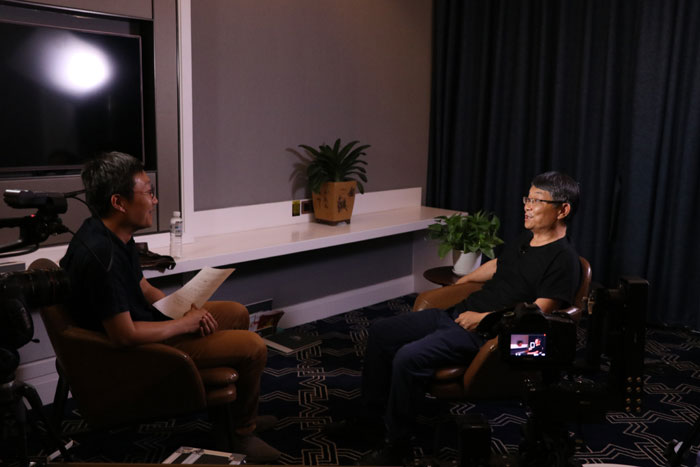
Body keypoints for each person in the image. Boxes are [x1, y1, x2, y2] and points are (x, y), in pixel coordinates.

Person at [342, 171, 581, 465]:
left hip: (486, 333)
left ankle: (397, 445)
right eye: (527, 199)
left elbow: (536, 314)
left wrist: (483, 318)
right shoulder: (527, 239)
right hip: (459, 313)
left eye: (536, 201)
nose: (527, 207)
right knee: (382, 331)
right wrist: (462, 282)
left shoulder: (564, 260)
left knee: (408, 357)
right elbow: (499, 264)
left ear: (562, 209)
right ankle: (370, 422)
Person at [59, 151, 280, 463]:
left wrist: (177, 306)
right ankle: (241, 433)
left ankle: (230, 417)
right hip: (140, 352)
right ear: (119, 202)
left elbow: (141, 286)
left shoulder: (109, 232)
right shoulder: (101, 258)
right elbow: (125, 335)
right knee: (253, 347)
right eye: (148, 193)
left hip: (148, 324)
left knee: (236, 312)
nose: (155, 200)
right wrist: (184, 323)